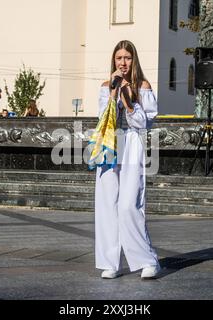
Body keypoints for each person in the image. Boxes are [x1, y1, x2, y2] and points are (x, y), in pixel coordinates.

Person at [92, 40, 160, 280]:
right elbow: (102, 118)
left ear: (134, 60)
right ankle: (110, 262)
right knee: (107, 204)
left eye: (127, 58)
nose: (123, 63)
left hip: (132, 143)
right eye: (119, 58)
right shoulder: (105, 86)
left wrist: (129, 100)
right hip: (110, 143)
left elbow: (145, 123)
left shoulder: (143, 86)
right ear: (114, 60)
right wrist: (113, 94)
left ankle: (147, 260)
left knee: (130, 203)